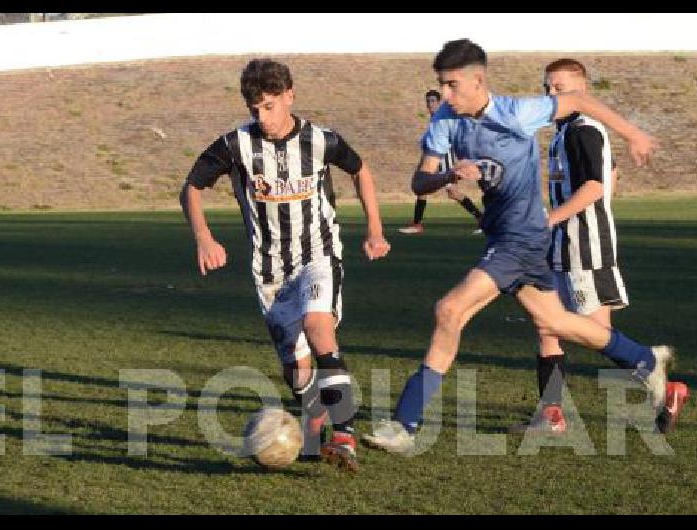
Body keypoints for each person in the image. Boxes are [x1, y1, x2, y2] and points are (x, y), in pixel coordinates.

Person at [363, 39, 672, 455]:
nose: (447, 95)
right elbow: (419, 182)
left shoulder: (517, 112)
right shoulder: (444, 122)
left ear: (479, 80)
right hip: (507, 238)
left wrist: (633, 134)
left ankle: (405, 423)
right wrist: (448, 174)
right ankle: (646, 362)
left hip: (522, 239)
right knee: (556, 323)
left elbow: (578, 98)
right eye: (442, 85)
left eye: (454, 85)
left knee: (449, 309)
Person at [181, 58, 391, 471]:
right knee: (297, 371)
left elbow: (360, 169)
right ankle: (314, 422)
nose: (263, 117)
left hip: (319, 253)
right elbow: (191, 186)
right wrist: (204, 237)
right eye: (255, 109)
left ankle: (344, 436)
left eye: (270, 106)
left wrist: (375, 228)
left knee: (318, 326)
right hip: (269, 271)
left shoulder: (320, 140)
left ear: (289, 96)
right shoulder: (235, 145)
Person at [509, 58, 688, 435]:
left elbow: (596, 186)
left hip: (586, 248)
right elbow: (613, 172)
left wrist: (552, 220)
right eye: (548, 88)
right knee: (547, 325)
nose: (551, 94)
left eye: (560, 88)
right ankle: (551, 414)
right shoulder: (564, 129)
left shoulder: (584, 129)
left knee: (592, 333)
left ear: (583, 91)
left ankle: (662, 381)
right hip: (562, 245)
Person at [398, 90, 483, 235]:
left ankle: (483, 220)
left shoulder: (442, 118)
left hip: (444, 160)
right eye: (428, 101)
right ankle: (417, 224)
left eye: (432, 101)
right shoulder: (434, 120)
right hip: (433, 161)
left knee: (453, 192)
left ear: (438, 102)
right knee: (423, 191)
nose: (430, 104)